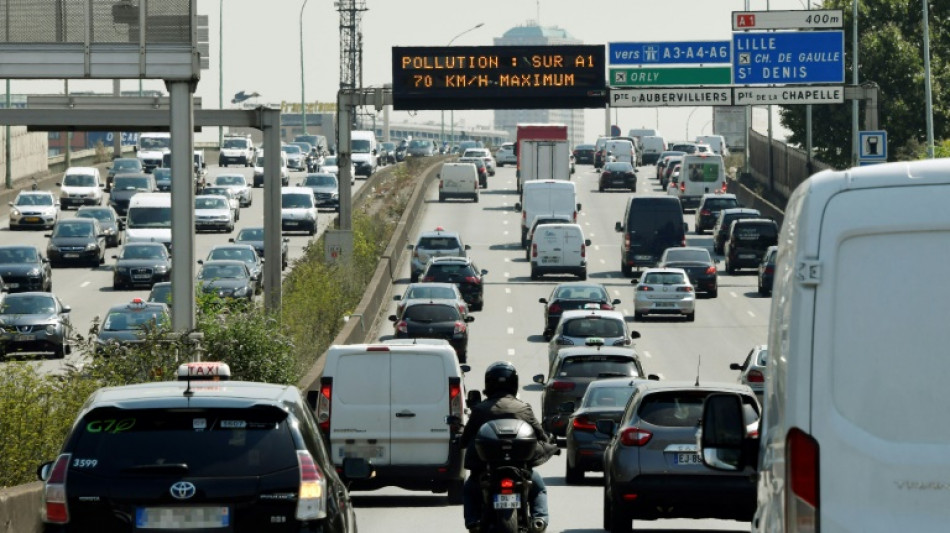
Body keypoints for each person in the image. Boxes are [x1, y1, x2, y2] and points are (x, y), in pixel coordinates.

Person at [459, 361, 554, 533]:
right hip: (520, 468)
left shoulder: (480, 410)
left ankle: (473, 521)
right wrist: (549, 442)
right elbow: (541, 435)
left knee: (470, 488)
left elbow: (465, 438)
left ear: (489, 383)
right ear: (514, 383)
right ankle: (539, 519)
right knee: (538, 487)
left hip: (486, 468)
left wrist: (460, 443)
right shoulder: (523, 408)